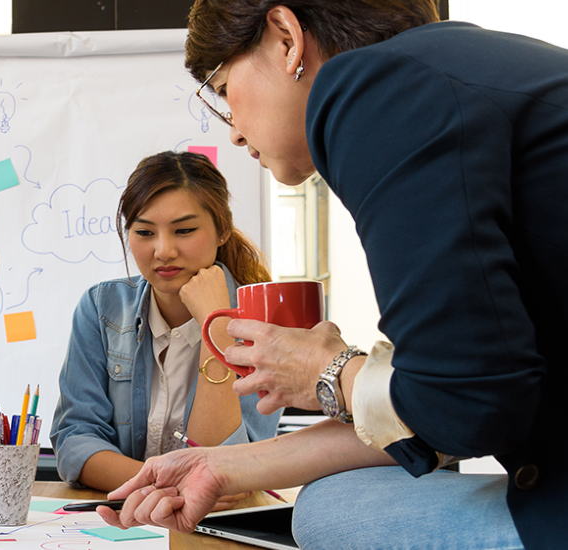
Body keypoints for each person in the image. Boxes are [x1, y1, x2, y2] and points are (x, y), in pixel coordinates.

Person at [98, 2, 564, 549]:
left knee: (334, 510)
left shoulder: (375, 85)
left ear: (286, 38)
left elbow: (461, 405)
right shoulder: (456, 67)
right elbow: (450, 402)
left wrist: (328, 369)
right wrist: (219, 467)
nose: (235, 135)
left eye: (224, 91)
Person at [50, 151, 280, 497]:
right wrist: (168, 486)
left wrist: (215, 325)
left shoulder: (265, 322)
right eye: (144, 232)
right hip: (126, 517)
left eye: (184, 230)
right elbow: (76, 440)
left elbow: (232, 465)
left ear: (222, 231)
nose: (163, 250)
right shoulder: (101, 308)